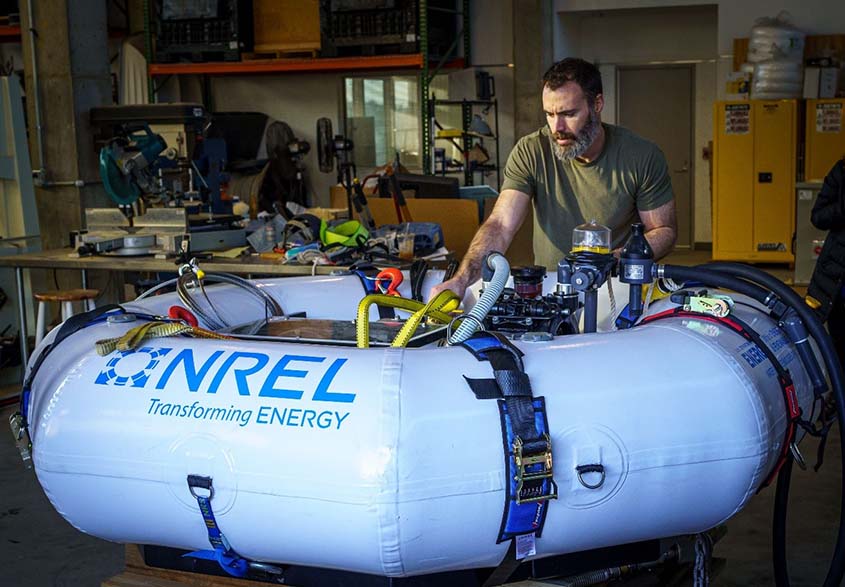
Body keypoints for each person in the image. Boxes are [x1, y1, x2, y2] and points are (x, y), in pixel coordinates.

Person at [432, 58, 677, 299]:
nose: (556, 127)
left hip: (617, 287)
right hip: (551, 289)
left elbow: (663, 230)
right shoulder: (531, 151)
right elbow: (501, 225)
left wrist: (610, 262)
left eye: (569, 114)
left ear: (597, 104)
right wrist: (461, 281)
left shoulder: (641, 155)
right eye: (549, 114)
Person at [807, 157, 845, 366]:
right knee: (839, 341)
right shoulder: (841, 170)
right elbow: (818, 217)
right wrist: (842, 208)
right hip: (837, 277)